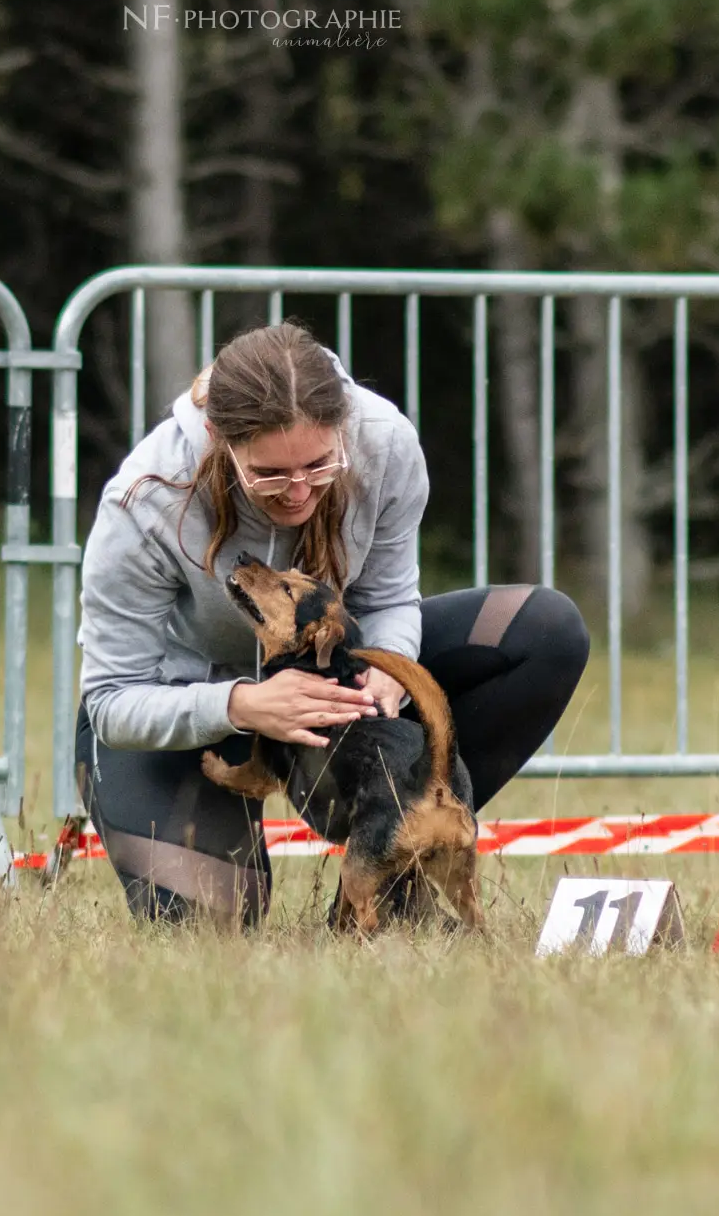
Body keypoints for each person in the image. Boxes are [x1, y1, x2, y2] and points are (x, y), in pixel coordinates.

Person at [76, 321, 590, 927]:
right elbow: (110, 701)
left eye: (320, 466)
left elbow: (392, 596)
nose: (298, 493)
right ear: (218, 439)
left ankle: (394, 872)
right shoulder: (145, 499)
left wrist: (392, 672)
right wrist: (241, 705)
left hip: (337, 687)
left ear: (343, 427)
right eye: (268, 475)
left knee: (547, 631)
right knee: (207, 926)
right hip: (184, 702)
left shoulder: (385, 441)